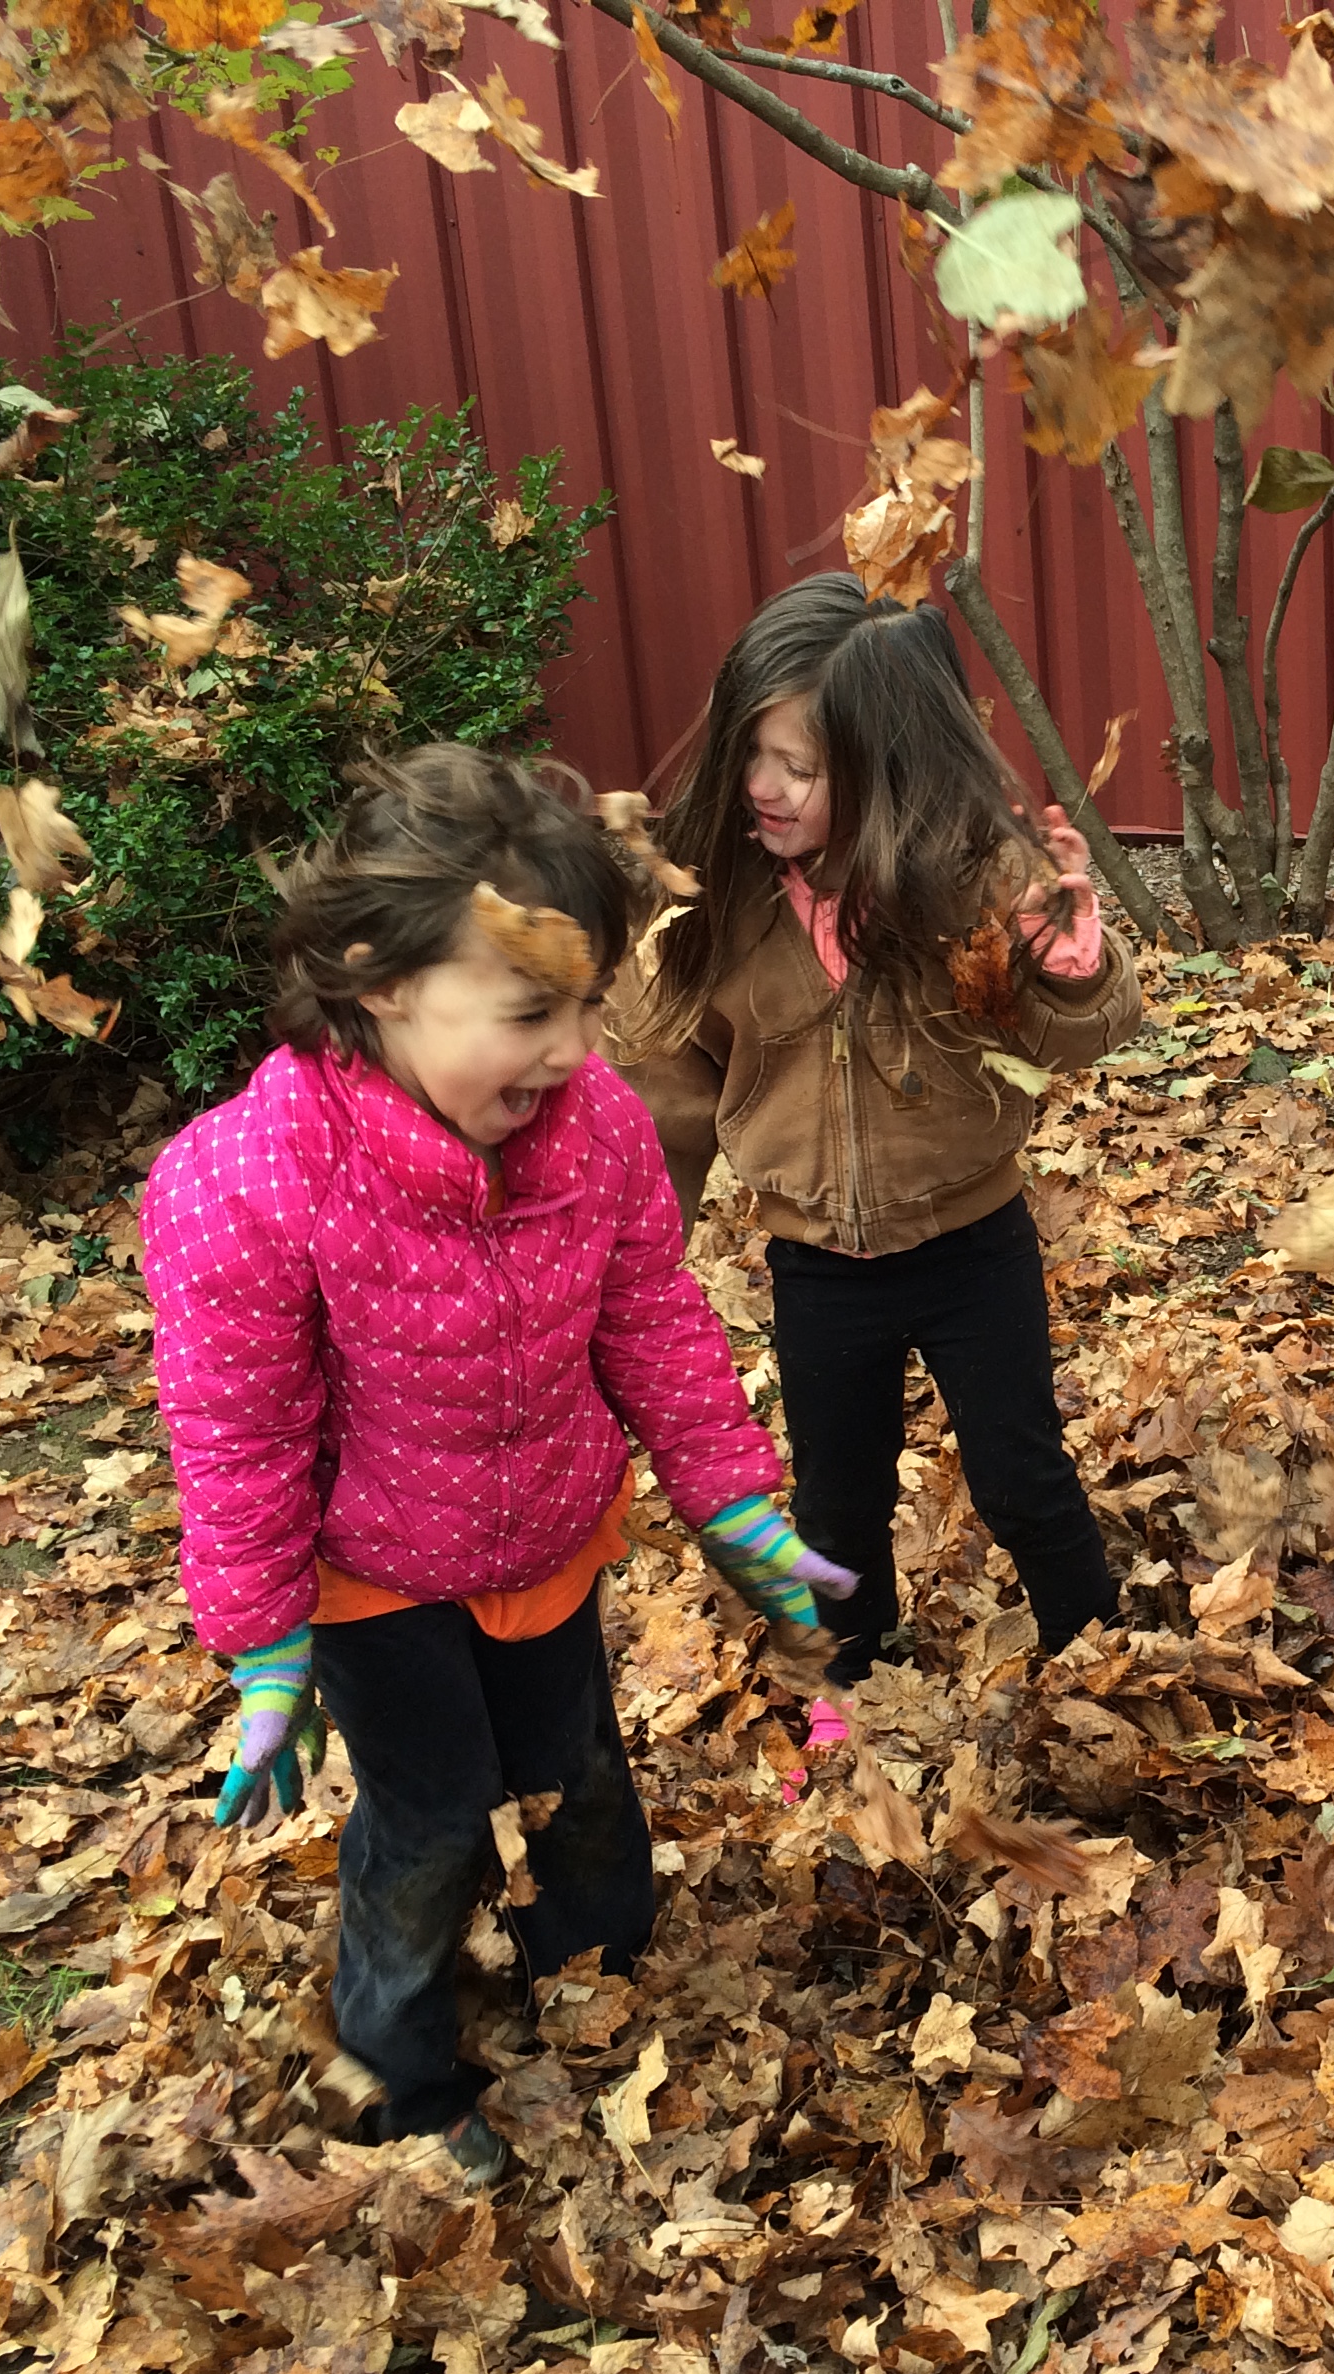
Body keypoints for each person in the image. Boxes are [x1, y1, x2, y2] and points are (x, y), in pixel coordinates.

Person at [143, 747, 853, 2185]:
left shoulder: (591, 1133)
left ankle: (596, 1965)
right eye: (532, 1012)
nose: (576, 1051)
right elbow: (242, 1433)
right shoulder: (247, 1182)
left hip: (544, 1530)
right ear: (376, 979)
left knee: (578, 1765)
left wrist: (739, 1510)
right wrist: (267, 1646)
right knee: (430, 1817)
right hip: (372, 1574)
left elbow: (653, 1321)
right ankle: (403, 2067)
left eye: (589, 1007)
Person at [611, 574, 1144, 1745]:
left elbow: (1076, 1040)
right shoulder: (728, 907)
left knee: (1020, 1477)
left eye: (798, 765)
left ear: (888, 757)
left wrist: (1068, 963)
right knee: (837, 1503)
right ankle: (847, 1697)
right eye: (754, 753)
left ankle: (1102, 1662)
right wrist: (633, 1249)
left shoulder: (977, 880)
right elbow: (677, 1092)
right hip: (818, 1263)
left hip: (970, 1243)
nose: (764, 786)